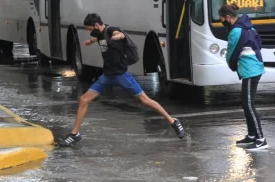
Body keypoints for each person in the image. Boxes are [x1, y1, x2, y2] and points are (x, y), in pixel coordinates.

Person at [58, 13, 185, 147]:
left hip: (121, 76)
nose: (90, 32)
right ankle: (75, 134)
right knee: (84, 99)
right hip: (106, 77)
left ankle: (173, 121)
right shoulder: (100, 34)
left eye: (90, 29)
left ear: (96, 25)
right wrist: (91, 41)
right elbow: (99, 39)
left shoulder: (111, 30)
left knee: (145, 100)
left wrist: (117, 36)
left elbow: (121, 35)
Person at [218, 4, 268, 151]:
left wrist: (232, 65)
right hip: (254, 67)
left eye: (221, 18)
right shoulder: (249, 27)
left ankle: (261, 139)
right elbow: (259, 43)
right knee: (245, 102)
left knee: (248, 104)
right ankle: (252, 135)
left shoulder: (235, 31)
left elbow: (231, 54)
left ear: (228, 17)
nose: (221, 21)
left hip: (250, 70)